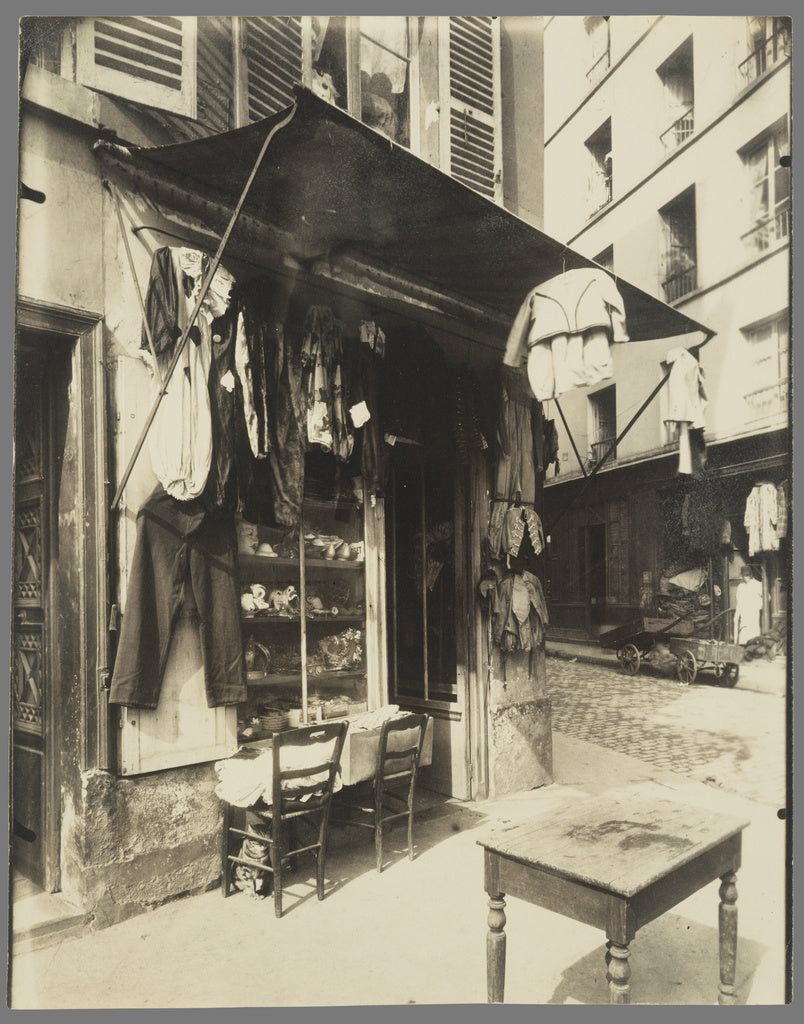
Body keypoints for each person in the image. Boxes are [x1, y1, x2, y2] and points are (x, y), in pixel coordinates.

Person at [734, 564, 762, 645]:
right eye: (744, 575)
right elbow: (738, 600)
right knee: (743, 634)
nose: (745, 577)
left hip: (753, 612)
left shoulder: (758, 584)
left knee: (753, 633)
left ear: (751, 575)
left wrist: (758, 606)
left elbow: (768, 597)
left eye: (747, 575)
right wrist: (737, 615)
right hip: (743, 612)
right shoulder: (741, 586)